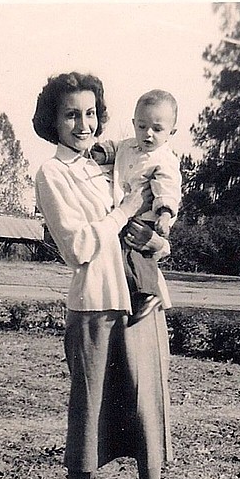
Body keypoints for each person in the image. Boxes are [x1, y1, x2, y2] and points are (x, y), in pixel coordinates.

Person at [32, 72, 186, 479]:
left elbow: (154, 212)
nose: (84, 123)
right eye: (72, 114)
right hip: (95, 302)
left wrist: (160, 240)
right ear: (53, 121)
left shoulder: (113, 160)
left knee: (148, 405)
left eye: (92, 113)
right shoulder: (51, 174)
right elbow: (77, 247)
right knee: (91, 408)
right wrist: (122, 212)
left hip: (141, 299)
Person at [91, 90, 182, 325]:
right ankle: (133, 295)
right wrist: (102, 154)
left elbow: (167, 187)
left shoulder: (164, 159)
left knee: (138, 254)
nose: (148, 134)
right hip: (124, 211)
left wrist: (164, 213)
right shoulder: (128, 146)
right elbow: (114, 147)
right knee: (121, 257)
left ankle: (149, 293)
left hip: (147, 216)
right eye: (142, 126)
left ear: (171, 132)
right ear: (133, 123)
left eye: (157, 129)